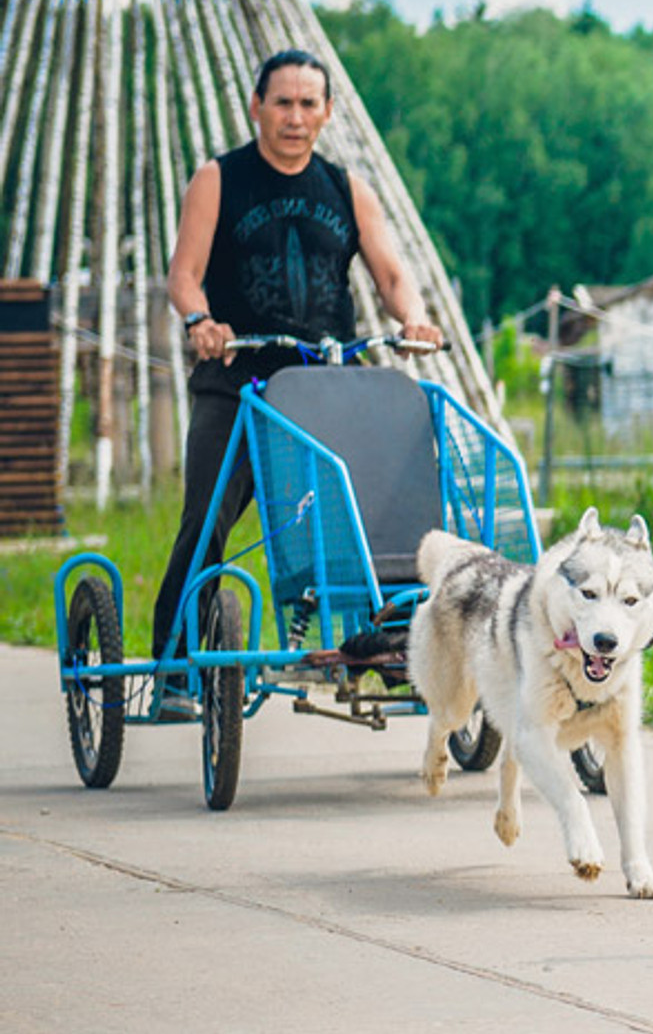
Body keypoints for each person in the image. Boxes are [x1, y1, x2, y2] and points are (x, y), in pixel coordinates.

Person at [154, 49, 442, 701]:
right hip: (241, 378)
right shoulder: (219, 178)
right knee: (207, 516)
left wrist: (416, 320)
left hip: (328, 380)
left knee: (388, 504)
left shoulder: (346, 188)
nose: (295, 116)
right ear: (256, 107)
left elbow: (393, 276)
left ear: (328, 112)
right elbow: (184, 276)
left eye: (309, 103)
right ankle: (176, 661)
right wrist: (201, 320)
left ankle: (392, 644)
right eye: (282, 102)